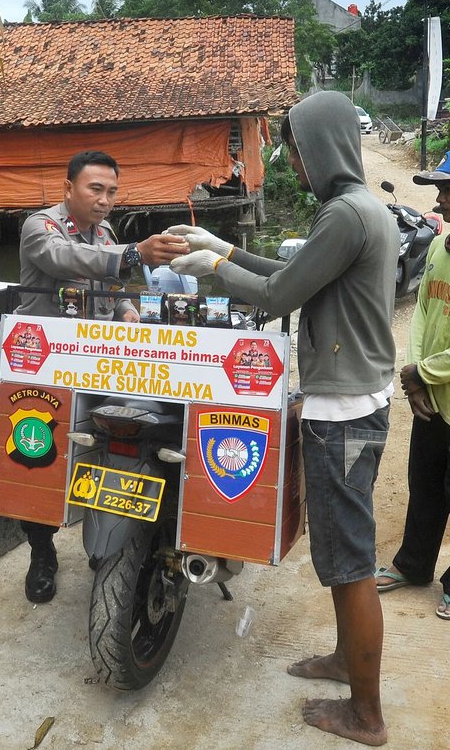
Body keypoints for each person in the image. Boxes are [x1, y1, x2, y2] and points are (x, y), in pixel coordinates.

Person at [167, 91, 399, 746]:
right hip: (357, 403)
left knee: (350, 563)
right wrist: (224, 249)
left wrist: (212, 264)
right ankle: (343, 660)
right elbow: (293, 276)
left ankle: (367, 713)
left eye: (295, 145)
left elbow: (277, 295)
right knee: (339, 556)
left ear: (320, 144)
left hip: (342, 413)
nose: (292, 158)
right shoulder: (358, 211)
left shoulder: (344, 216)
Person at [0, 149, 188, 604]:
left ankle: (115, 534)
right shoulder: (40, 227)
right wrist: (134, 253)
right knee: (37, 457)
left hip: (94, 361)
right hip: (41, 363)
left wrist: (126, 312)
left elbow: (110, 291)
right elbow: (68, 260)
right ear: (69, 189)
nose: (105, 200)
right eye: (95, 189)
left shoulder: (103, 231)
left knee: (108, 442)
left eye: (112, 192)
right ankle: (42, 552)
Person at [375, 151, 450, 621]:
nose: (439, 199)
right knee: (424, 485)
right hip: (435, 401)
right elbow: (423, 310)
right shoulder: (442, 249)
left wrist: (425, 372)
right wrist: (414, 371)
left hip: (437, 385)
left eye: (447, 188)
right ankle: (414, 566)